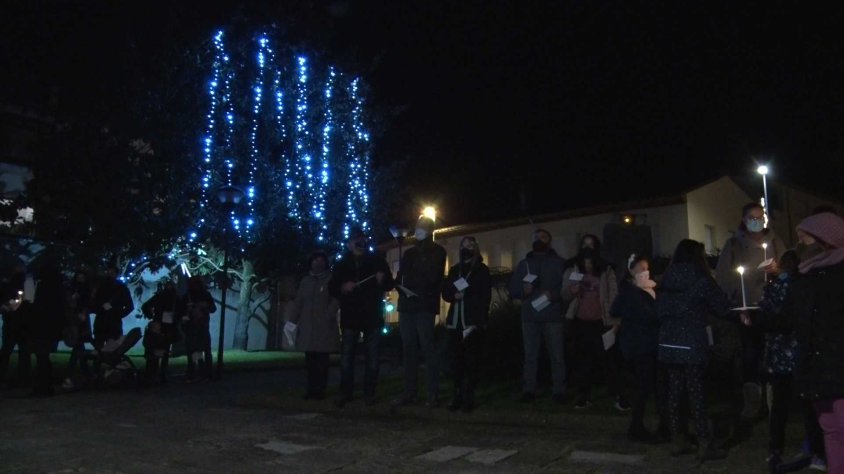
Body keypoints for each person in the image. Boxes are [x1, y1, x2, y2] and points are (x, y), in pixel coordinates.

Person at [740, 250, 827, 471]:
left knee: (779, 406)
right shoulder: (803, 287)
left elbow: (767, 316)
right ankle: (816, 451)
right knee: (807, 406)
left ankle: (775, 449)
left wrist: (753, 321)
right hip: (799, 353)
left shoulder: (774, 287)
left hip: (778, 355)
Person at [778, 212, 844, 473]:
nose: (799, 245)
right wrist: (756, 318)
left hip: (837, 361)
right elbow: (787, 318)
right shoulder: (803, 277)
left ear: (825, 239)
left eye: (804, 238)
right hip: (816, 367)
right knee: (831, 429)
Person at [657, 239, 730, 460]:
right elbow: (721, 306)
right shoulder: (701, 279)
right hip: (692, 339)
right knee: (697, 393)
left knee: (675, 391)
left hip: (668, 340)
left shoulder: (666, 278)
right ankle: (704, 443)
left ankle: (677, 439)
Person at [714, 202, 787, 420]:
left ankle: (775, 400)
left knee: (772, 353)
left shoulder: (775, 242)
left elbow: (788, 270)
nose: (757, 221)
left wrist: (778, 270)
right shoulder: (734, 245)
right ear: (744, 220)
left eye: (760, 217)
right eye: (752, 218)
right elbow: (724, 277)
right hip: (747, 308)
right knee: (750, 353)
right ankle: (752, 402)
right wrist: (737, 304)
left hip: (773, 307)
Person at [328, 229, 394, 407]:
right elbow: (332, 287)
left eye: (362, 240)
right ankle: (345, 392)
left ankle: (369, 393)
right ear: (349, 244)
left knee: (372, 356)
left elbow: (389, 283)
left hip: (372, 314)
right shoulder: (342, 264)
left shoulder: (377, 261)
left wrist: (381, 279)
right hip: (351, 315)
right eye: (356, 241)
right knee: (347, 356)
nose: (360, 244)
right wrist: (343, 287)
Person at [562, 234, 625, 410]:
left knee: (609, 360)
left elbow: (613, 294)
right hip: (581, 321)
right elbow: (564, 294)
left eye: (591, 244)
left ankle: (617, 395)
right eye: (584, 244)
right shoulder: (573, 268)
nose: (587, 247)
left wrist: (615, 320)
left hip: (601, 321)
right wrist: (572, 291)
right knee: (583, 361)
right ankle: (584, 395)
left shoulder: (605, 269)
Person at [611, 254, 668, 442]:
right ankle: (637, 426)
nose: (645, 272)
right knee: (644, 386)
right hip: (640, 345)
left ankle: (659, 425)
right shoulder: (629, 292)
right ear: (631, 271)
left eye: (647, 268)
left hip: (651, 343)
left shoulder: (651, 289)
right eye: (641, 268)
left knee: (654, 385)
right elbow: (616, 310)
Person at [392, 216, 447, 408]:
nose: (418, 230)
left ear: (430, 230)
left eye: (422, 227)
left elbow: (432, 277)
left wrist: (411, 283)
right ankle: (410, 392)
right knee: (409, 349)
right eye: (417, 227)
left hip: (424, 305)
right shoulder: (409, 253)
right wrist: (399, 286)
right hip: (407, 305)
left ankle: (432, 393)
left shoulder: (438, 251)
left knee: (427, 348)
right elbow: (401, 276)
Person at [508, 228, 566, 404]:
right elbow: (512, 289)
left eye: (543, 237)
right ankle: (529, 390)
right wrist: (523, 291)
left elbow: (567, 287)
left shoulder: (559, 263)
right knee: (530, 356)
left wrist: (553, 294)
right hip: (529, 317)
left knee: (557, 356)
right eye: (536, 237)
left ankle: (559, 391)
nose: (539, 239)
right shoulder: (524, 264)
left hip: (552, 315)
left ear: (549, 240)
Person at [442, 236, 491, 413]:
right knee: (456, 362)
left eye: (470, 245)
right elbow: (446, 291)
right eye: (463, 245)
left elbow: (484, 295)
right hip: (455, 322)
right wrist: (453, 295)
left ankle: (469, 395)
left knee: (472, 361)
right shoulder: (455, 270)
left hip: (471, 322)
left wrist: (468, 296)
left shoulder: (481, 270)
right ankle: (457, 395)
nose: (466, 248)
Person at [289, 251, 340, 401]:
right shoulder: (306, 281)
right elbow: (299, 302)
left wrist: (328, 314)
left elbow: (336, 299)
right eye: (315, 260)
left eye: (321, 260)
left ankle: (320, 390)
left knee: (322, 361)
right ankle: (311, 389)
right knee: (310, 361)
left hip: (324, 327)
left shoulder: (330, 280)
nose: (318, 263)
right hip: (307, 326)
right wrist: (292, 321)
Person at [29, 260, 67, 396]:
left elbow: (33, 304)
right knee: (43, 356)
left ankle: (43, 386)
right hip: (52, 327)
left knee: (41, 356)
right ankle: (46, 385)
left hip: (41, 326)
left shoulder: (42, 287)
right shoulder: (59, 288)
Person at [140, 280, 181, 385]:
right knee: (159, 350)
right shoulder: (171, 297)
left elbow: (146, 306)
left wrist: (151, 316)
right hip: (162, 326)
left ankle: (156, 374)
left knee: (160, 350)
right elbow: (146, 306)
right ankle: (157, 374)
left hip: (163, 326)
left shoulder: (166, 297)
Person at [180, 276, 216, 382]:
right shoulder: (188, 296)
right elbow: (181, 312)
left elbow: (213, 308)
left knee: (201, 350)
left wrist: (204, 306)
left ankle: (203, 373)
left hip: (201, 326)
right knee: (194, 351)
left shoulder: (204, 295)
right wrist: (188, 311)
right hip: (193, 327)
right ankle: (198, 373)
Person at [0, 264, 31, 387]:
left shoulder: (10, 285)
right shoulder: (24, 285)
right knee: (20, 352)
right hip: (18, 323)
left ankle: (20, 378)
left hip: (17, 323)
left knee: (13, 351)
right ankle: (22, 378)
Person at [90, 264, 134, 351]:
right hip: (101, 322)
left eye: (112, 273)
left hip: (113, 323)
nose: (110, 274)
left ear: (116, 274)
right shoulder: (101, 286)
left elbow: (130, 306)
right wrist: (99, 309)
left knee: (112, 348)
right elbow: (94, 302)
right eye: (108, 272)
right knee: (99, 347)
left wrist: (118, 314)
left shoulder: (122, 288)